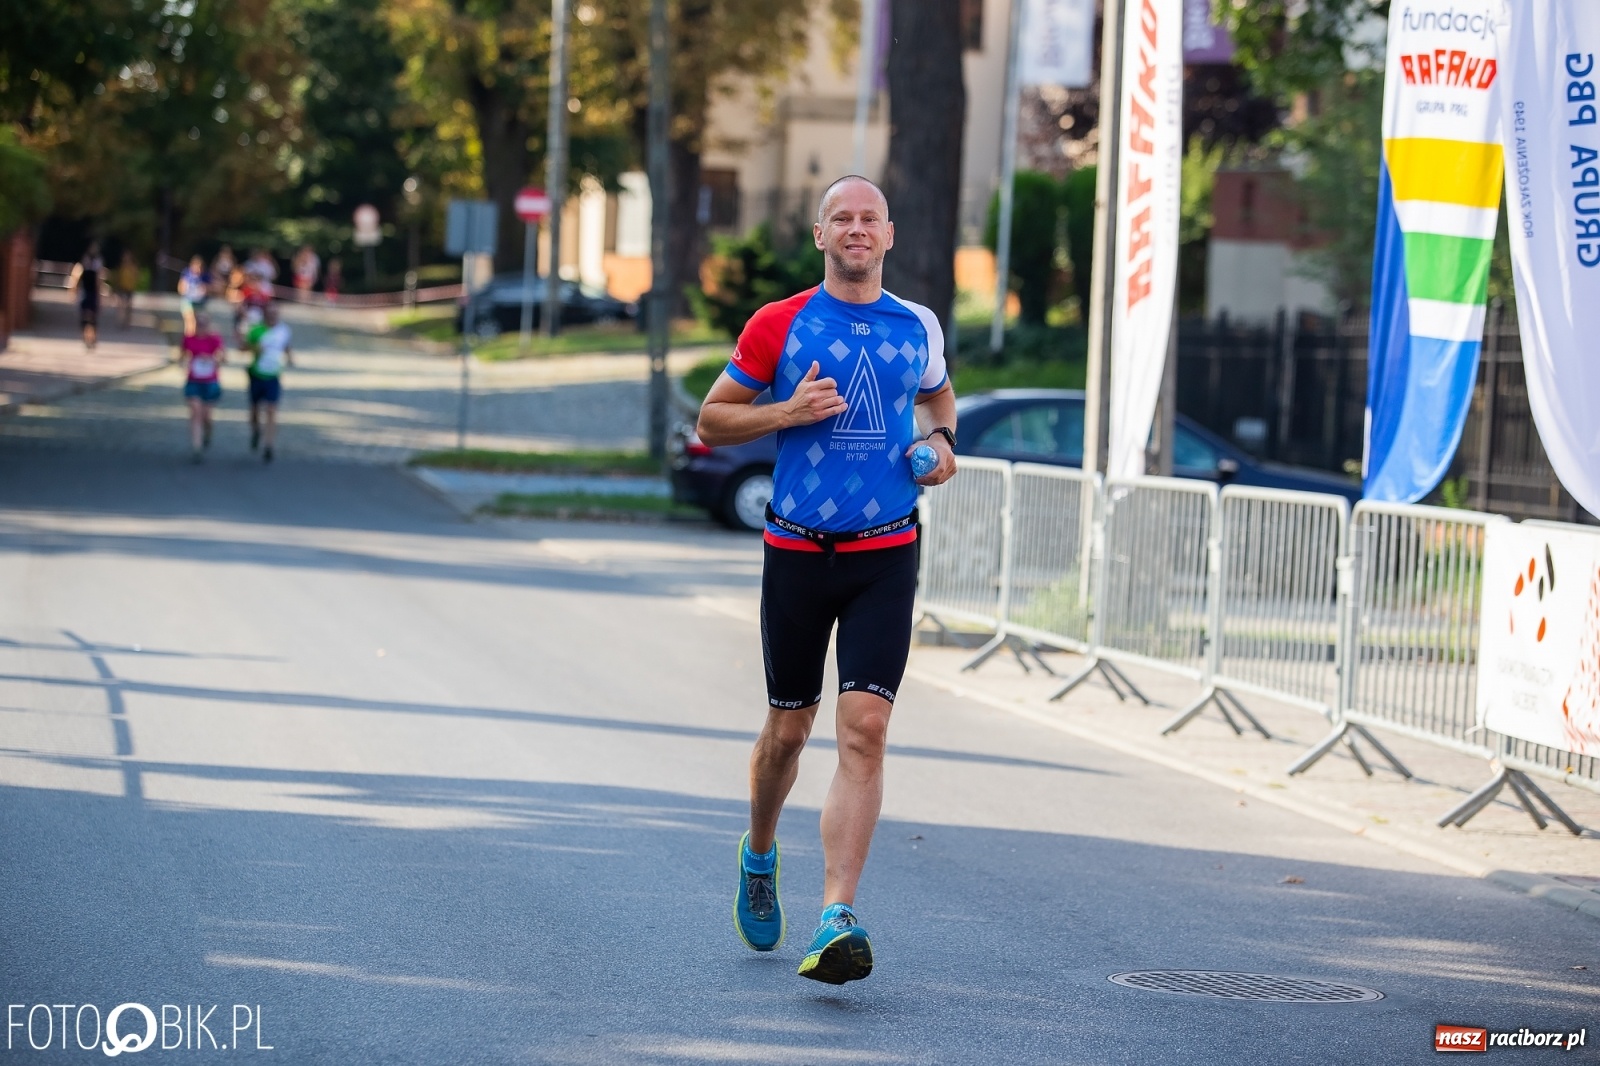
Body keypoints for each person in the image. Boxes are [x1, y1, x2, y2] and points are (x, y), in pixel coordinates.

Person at [695, 175, 958, 986]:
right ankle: (761, 852)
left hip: (887, 549)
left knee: (865, 728)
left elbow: (942, 404)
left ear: (888, 235)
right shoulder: (780, 323)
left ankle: (838, 913)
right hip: (799, 551)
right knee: (789, 729)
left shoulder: (917, 325)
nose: (855, 228)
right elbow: (711, 420)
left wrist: (944, 447)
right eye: (840, 217)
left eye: (868, 218)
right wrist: (785, 413)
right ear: (820, 235)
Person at [244, 302, 293, 463]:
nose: (272, 316)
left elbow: (286, 346)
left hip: (273, 375)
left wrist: (290, 357)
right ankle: (256, 431)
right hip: (256, 374)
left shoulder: (283, 331)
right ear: (265, 314)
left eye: (275, 313)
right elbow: (243, 347)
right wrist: (254, 347)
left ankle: (269, 445)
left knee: (272, 410)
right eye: (270, 313)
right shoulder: (256, 330)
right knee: (255, 410)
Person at [180, 311, 225, 462]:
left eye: (204, 322)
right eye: (199, 321)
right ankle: (196, 447)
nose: (201, 324)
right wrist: (183, 363)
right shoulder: (189, 339)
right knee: (195, 411)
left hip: (210, 381)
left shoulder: (214, 339)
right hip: (194, 380)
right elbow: (182, 356)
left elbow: (222, 356)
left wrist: (213, 358)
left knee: (206, 416)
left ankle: (208, 433)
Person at [67, 242, 105, 349]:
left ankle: (90, 337)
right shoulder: (83, 266)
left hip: (89, 293)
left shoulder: (94, 264)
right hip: (86, 293)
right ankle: (88, 337)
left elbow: (97, 282)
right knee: (87, 317)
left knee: (90, 318)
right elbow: (77, 280)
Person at [177, 255, 209, 336]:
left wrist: (205, 289)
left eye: (200, 267)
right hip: (188, 301)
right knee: (190, 322)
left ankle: (194, 342)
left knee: (200, 325)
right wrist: (186, 289)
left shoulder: (205, 276)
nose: (198, 269)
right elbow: (180, 288)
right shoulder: (187, 274)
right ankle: (189, 341)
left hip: (200, 303)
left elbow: (212, 289)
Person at [113, 250, 140, 328]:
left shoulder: (133, 266)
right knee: (121, 304)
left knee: (128, 305)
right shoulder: (121, 266)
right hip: (122, 287)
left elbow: (136, 276)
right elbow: (118, 277)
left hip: (129, 288)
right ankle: (121, 320)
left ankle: (127, 321)